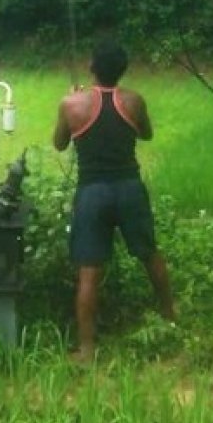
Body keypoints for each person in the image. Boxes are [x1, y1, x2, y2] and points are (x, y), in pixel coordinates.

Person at [53, 40, 174, 361]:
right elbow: (146, 134)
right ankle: (170, 318)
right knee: (149, 254)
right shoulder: (133, 101)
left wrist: (76, 100)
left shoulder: (71, 105)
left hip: (92, 192)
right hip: (129, 187)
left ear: (92, 67)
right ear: (122, 70)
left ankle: (88, 348)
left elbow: (59, 144)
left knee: (89, 271)